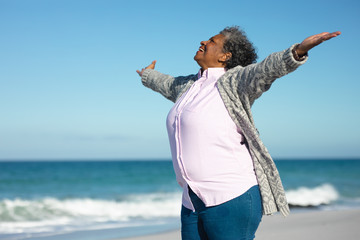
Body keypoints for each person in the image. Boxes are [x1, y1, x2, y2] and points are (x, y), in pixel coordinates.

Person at [136, 26, 340, 240]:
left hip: (231, 196)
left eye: (212, 41)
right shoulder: (188, 86)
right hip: (191, 200)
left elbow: (265, 69)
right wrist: (148, 75)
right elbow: (167, 83)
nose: (203, 42)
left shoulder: (235, 81)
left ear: (226, 56)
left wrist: (297, 51)